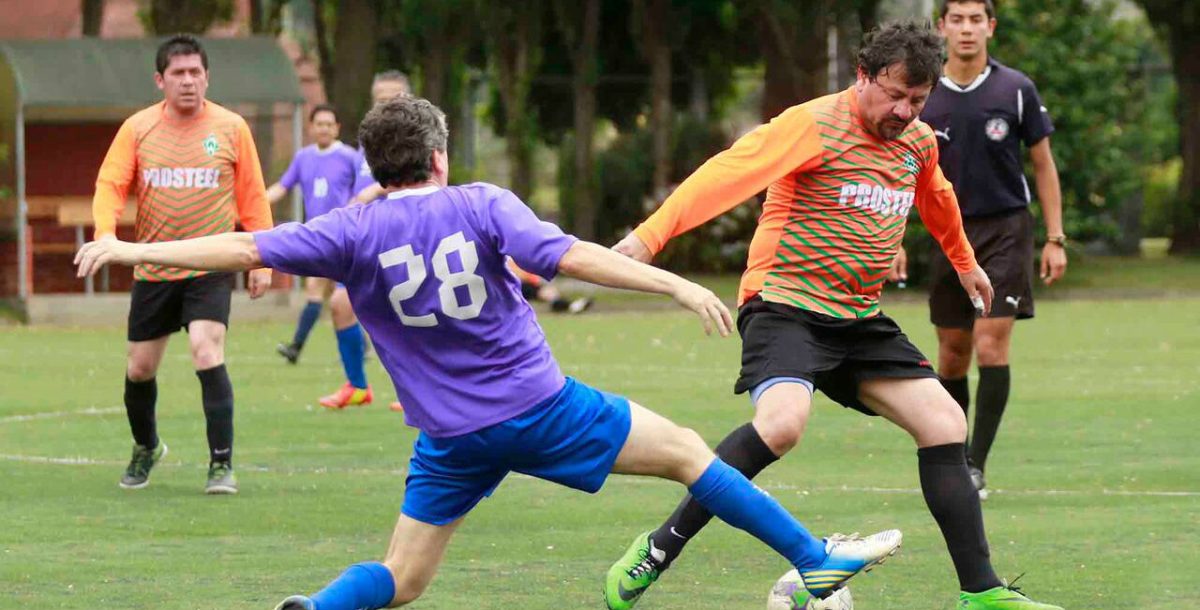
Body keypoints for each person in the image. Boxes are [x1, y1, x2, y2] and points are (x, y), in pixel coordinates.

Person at [75, 96, 902, 610]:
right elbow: (571, 255)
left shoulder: (349, 230)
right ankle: (813, 562)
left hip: (449, 438)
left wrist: (128, 250)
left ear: (376, 164)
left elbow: (246, 247)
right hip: (542, 411)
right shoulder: (480, 203)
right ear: (439, 156)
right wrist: (676, 286)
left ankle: (316, 608)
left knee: (400, 581)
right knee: (690, 452)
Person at [607, 21, 1062, 610]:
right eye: (894, 94)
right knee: (782, 425)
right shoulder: (813, 124)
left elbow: (939, 198)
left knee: (946, 422)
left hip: (857, 318)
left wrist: (965, 262)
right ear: (863, 76)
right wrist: (649, 238)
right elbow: (727, 173)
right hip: (786, 305)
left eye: (918, 101)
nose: (904, 110)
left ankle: (982, 593)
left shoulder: (918, 141)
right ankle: (658, 548)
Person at [891, 0, 1067, 500]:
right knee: (951, 354)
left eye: (976, 20)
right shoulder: (922, 93)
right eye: (956, 20)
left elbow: (1044, 165)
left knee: (991, 344)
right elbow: (898, 169)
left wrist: (1055, 238)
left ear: (990, 27)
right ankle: (954, 452)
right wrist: (896, 237)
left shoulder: (1016, 89)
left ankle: (975, 465)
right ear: (942, 27)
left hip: (1006, 230)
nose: (966, 29)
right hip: (948, 234)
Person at [90, 34, 274, 495]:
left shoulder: (232, 128)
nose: (188, 81)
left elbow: (252, 194)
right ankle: (146, 446)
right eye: (178, 73)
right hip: (154, 267)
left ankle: (221, 464)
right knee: (139, 369)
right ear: (160, 80)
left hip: (210, 264)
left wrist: (262, 258)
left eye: (196, 72)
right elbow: (111, 184)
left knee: (206, 350)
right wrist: (105, 235)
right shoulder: (138, 128)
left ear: (207, 77)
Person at [267, 104, 381, 410]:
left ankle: (359, 367)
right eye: (319, 124)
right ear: (311, 127)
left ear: (337, 128)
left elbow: (368, 190)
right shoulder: (303, 157)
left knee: (345, 302)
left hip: (345, 238)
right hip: (318, 237)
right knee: (328, 298)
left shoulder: (350, 157)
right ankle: (354, 378)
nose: (325, 129)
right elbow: (283, 186)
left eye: (330, 124)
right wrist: (256, 202)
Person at [508, 258, 595, 314]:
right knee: (544, 292)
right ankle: (568, 305)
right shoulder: (508, 255)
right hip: (513, 286)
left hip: (520, 286)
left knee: (547, 292)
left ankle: (565, 305)